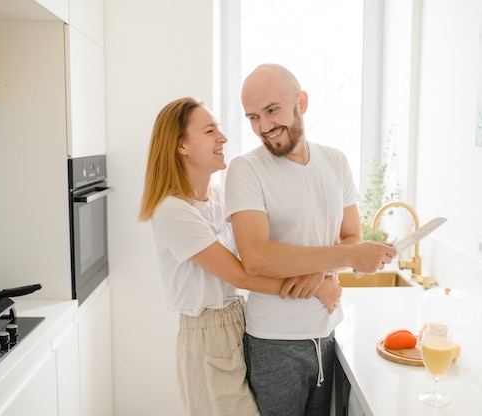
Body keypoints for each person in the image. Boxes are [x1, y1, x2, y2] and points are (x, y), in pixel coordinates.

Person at [138, 97, 342, 416]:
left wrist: (319, 269)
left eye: (218, 128)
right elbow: (242, 274)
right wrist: (315, 287)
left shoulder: (219, 196)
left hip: (241, 323)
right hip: (207, 338)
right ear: (181, 146)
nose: (223, 138)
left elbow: (259, 252)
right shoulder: (172, 211)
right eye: (209, 130)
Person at [224, 64, 397, 415]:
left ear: (301, 102)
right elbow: (257, 257)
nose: (264, 127)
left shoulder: (335, 161)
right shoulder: (245, 170)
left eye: (272, 110)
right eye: (253, 117)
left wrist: (321, 275)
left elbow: (351, 235)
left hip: (329, 331)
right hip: (274, 341)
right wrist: (339, 261)